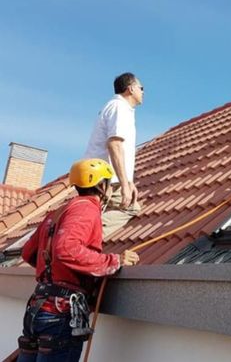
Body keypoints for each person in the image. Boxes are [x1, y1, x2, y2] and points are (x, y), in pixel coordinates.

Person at [16, 158, 140, 362]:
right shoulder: (87, 209)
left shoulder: (57, 213)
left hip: (38, 310)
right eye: (109, 183)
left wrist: (54, 273)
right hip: (59, 315)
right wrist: (114, 261)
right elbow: (66, 249)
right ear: (102, 185)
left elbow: (28, 253)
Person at [84, 72, 144, 238]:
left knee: (94, 213)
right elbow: (114, 144)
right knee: (130, 207)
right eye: (141, 88)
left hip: (97, 176)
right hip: (104, 178)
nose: (143, 92)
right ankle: (80, 242)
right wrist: (125, 184)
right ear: (130, 89)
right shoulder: (120, 108)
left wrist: (129, 181)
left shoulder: (115, 107)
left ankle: (77, 239)